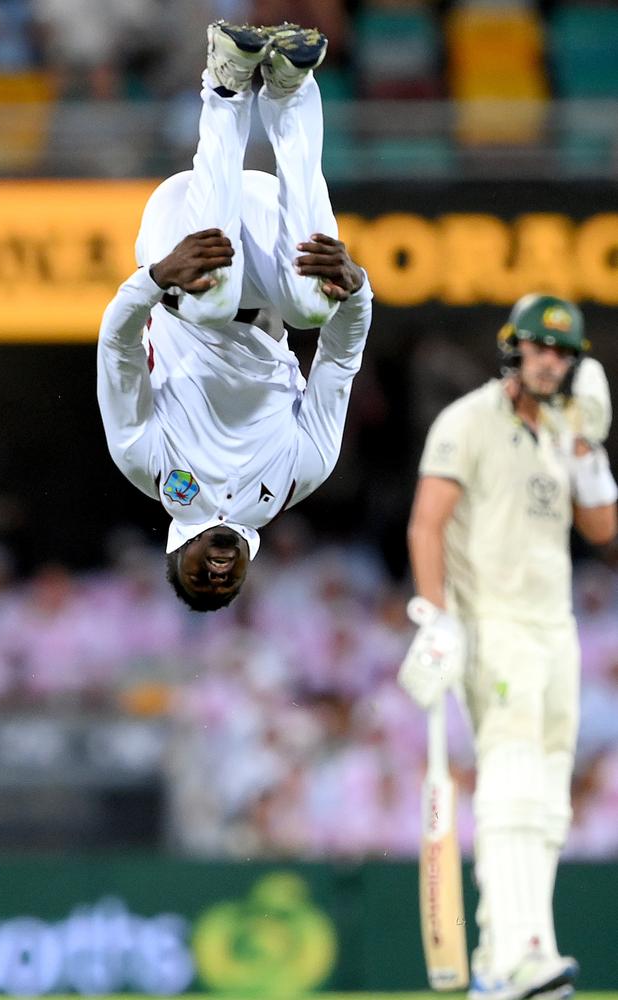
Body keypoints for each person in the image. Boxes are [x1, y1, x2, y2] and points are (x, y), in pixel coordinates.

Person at [97, 21, 372, 612]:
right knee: (313, 304)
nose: (218, 576)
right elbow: (339, 362)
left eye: (200, 580)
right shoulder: (301, 476)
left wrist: (154, 277)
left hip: (183, 238)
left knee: (213, 298)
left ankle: (224, 86)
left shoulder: (147, 467)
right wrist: (358, 290)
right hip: (268, 245)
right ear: (249, 569)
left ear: (174, 554)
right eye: (228, 585)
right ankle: (289, 90)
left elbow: (116, 348)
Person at [398, 294, 617, 1000]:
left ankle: (513, 953)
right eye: (539, 346)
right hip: (491, 622)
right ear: (512, 348)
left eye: (563, 352)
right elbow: (426, 524)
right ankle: (519, 952)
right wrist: (435, 616)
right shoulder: (468, 420)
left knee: (550, 792)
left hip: (554, 626)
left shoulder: (563, 430)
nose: (551, 360)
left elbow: (603, 530)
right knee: (514, 772)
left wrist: (588, 449)